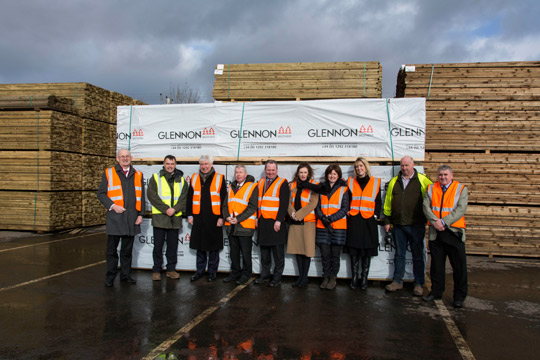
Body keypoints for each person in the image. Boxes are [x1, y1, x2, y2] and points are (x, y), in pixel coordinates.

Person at [383, 155, 432, 296]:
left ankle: (418, 283)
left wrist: (430, 219)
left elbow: (432, 200)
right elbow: (388, 203)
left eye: (407, 165)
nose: (404, 168)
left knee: (417, 255)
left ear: (413, 165)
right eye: (402, 165)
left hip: (416, 225)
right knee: (399, 254)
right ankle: (397, 281)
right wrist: (387, 220)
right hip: (398, 225)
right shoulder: (394, 182)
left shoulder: (423, 180)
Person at [422, 165, 468, 308]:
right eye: (440, 175)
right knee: (436, 266)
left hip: (453, 232)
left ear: (451, 175)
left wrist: (444, 222)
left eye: (445, 175)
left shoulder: (460, 189)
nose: (443, 177)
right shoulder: (431, 188)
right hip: (436, 234)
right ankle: (436, 292)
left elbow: (461, 209)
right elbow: (425, 206)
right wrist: (436, 222)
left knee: (459, 267)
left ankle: (459, 297)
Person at [97, 148, 144, 287]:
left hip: (131, 218)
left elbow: (141, 196)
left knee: (127, 251)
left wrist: (141, 215)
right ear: (117, 158)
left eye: (127, 156)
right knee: (112, 251)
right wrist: (113, 206)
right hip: (115, 218)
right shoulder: (109, 173)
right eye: (122, 156)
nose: (125, 158)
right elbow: (101, 194)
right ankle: (110, 276)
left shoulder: (138, 174)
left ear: (131, 158)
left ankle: (126, 275)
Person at [147, 155, 188, 281]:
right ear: (163, 164)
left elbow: (184, 198)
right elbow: (152, 196)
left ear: (175, 165)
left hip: (174, 219)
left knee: (172, 246)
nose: (170, 166)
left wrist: (174, 209)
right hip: (160, 218)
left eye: (172, 164)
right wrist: (166, 209)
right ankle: (156, 270)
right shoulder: (155, 178)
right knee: (158, 246)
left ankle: (171, 269)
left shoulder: (181, 180)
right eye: (167, 163)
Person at [187, 155, 227, 282]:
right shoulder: (194, 178)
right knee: (200, 247)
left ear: (211, 164)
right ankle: (199, 271)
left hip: (214, 218)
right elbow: (189, 198)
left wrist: (222, 217)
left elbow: (224, 199)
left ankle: (212, 272)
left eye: (206, 164)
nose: (204, 167)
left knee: (213, 248)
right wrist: (189, 214)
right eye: (202, 164)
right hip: (198, 217)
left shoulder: (220, 178)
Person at [346, 157, 382, 290]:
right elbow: (347, 199)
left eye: (361, 166)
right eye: (356, 167)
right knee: (354, 249)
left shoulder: (375, 182)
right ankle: (354, 278)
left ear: (366, 167)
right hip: (354, 220)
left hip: (368, 220)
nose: (359, 168)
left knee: (367, 249)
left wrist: (376, 214)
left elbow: (378, 201)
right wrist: (347, 211)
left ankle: (364, 278)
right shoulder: (350, 182)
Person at [255, 159, 290, 287]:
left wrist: (279, 220)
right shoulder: (261, 182)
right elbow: (258, 202)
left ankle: (276, 278)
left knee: (278, 254)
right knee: (264, 254)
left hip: (276, 223)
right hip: (263, 222)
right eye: (268, 170)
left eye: (273, 170)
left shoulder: (283, 183)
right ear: (265, 170)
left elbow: (284, 204)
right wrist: (257, 218)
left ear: (277, 170)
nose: (270, 172)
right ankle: (264, 276)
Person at [315, 164, 350, 290]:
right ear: (327, 175)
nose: (332, 176)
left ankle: (333, 277)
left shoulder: (343, 189)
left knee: (335, 255)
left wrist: (330, 219)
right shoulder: (321, 188)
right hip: (322, 226)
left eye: (335, 174)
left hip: (337, 227)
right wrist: (323, 218)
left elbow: (345, 208)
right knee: (324, 254)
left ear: (338, 175)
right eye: (330, 173)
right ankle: (325, 276)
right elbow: (317, 206)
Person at [222, 165, 258, 285]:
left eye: (240, 172)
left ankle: (246, 275)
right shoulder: (231, 187)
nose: (238, 174)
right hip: (231, 226)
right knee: (234, 253)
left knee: (246, 253)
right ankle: (235, 273)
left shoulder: (252, 186)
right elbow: (225, 205)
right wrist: (227, 216)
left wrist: (238, 219)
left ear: (245, 174)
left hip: (244, 226)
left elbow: (252, 207)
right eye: (236, 172)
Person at [287, 162, 319, 288]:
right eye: (301, 172)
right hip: (295, 221)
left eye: (305, 172)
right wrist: (292, 213)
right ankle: (300, 277)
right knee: (297, 251)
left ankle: (304, 278)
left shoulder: (314, 186)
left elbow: (313, 203)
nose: (303, 174)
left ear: (309, 173)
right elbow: (288, 202)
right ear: (297, 173)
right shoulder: (292, 185)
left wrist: (298, 214)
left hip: (307, 222)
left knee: (306, 251)